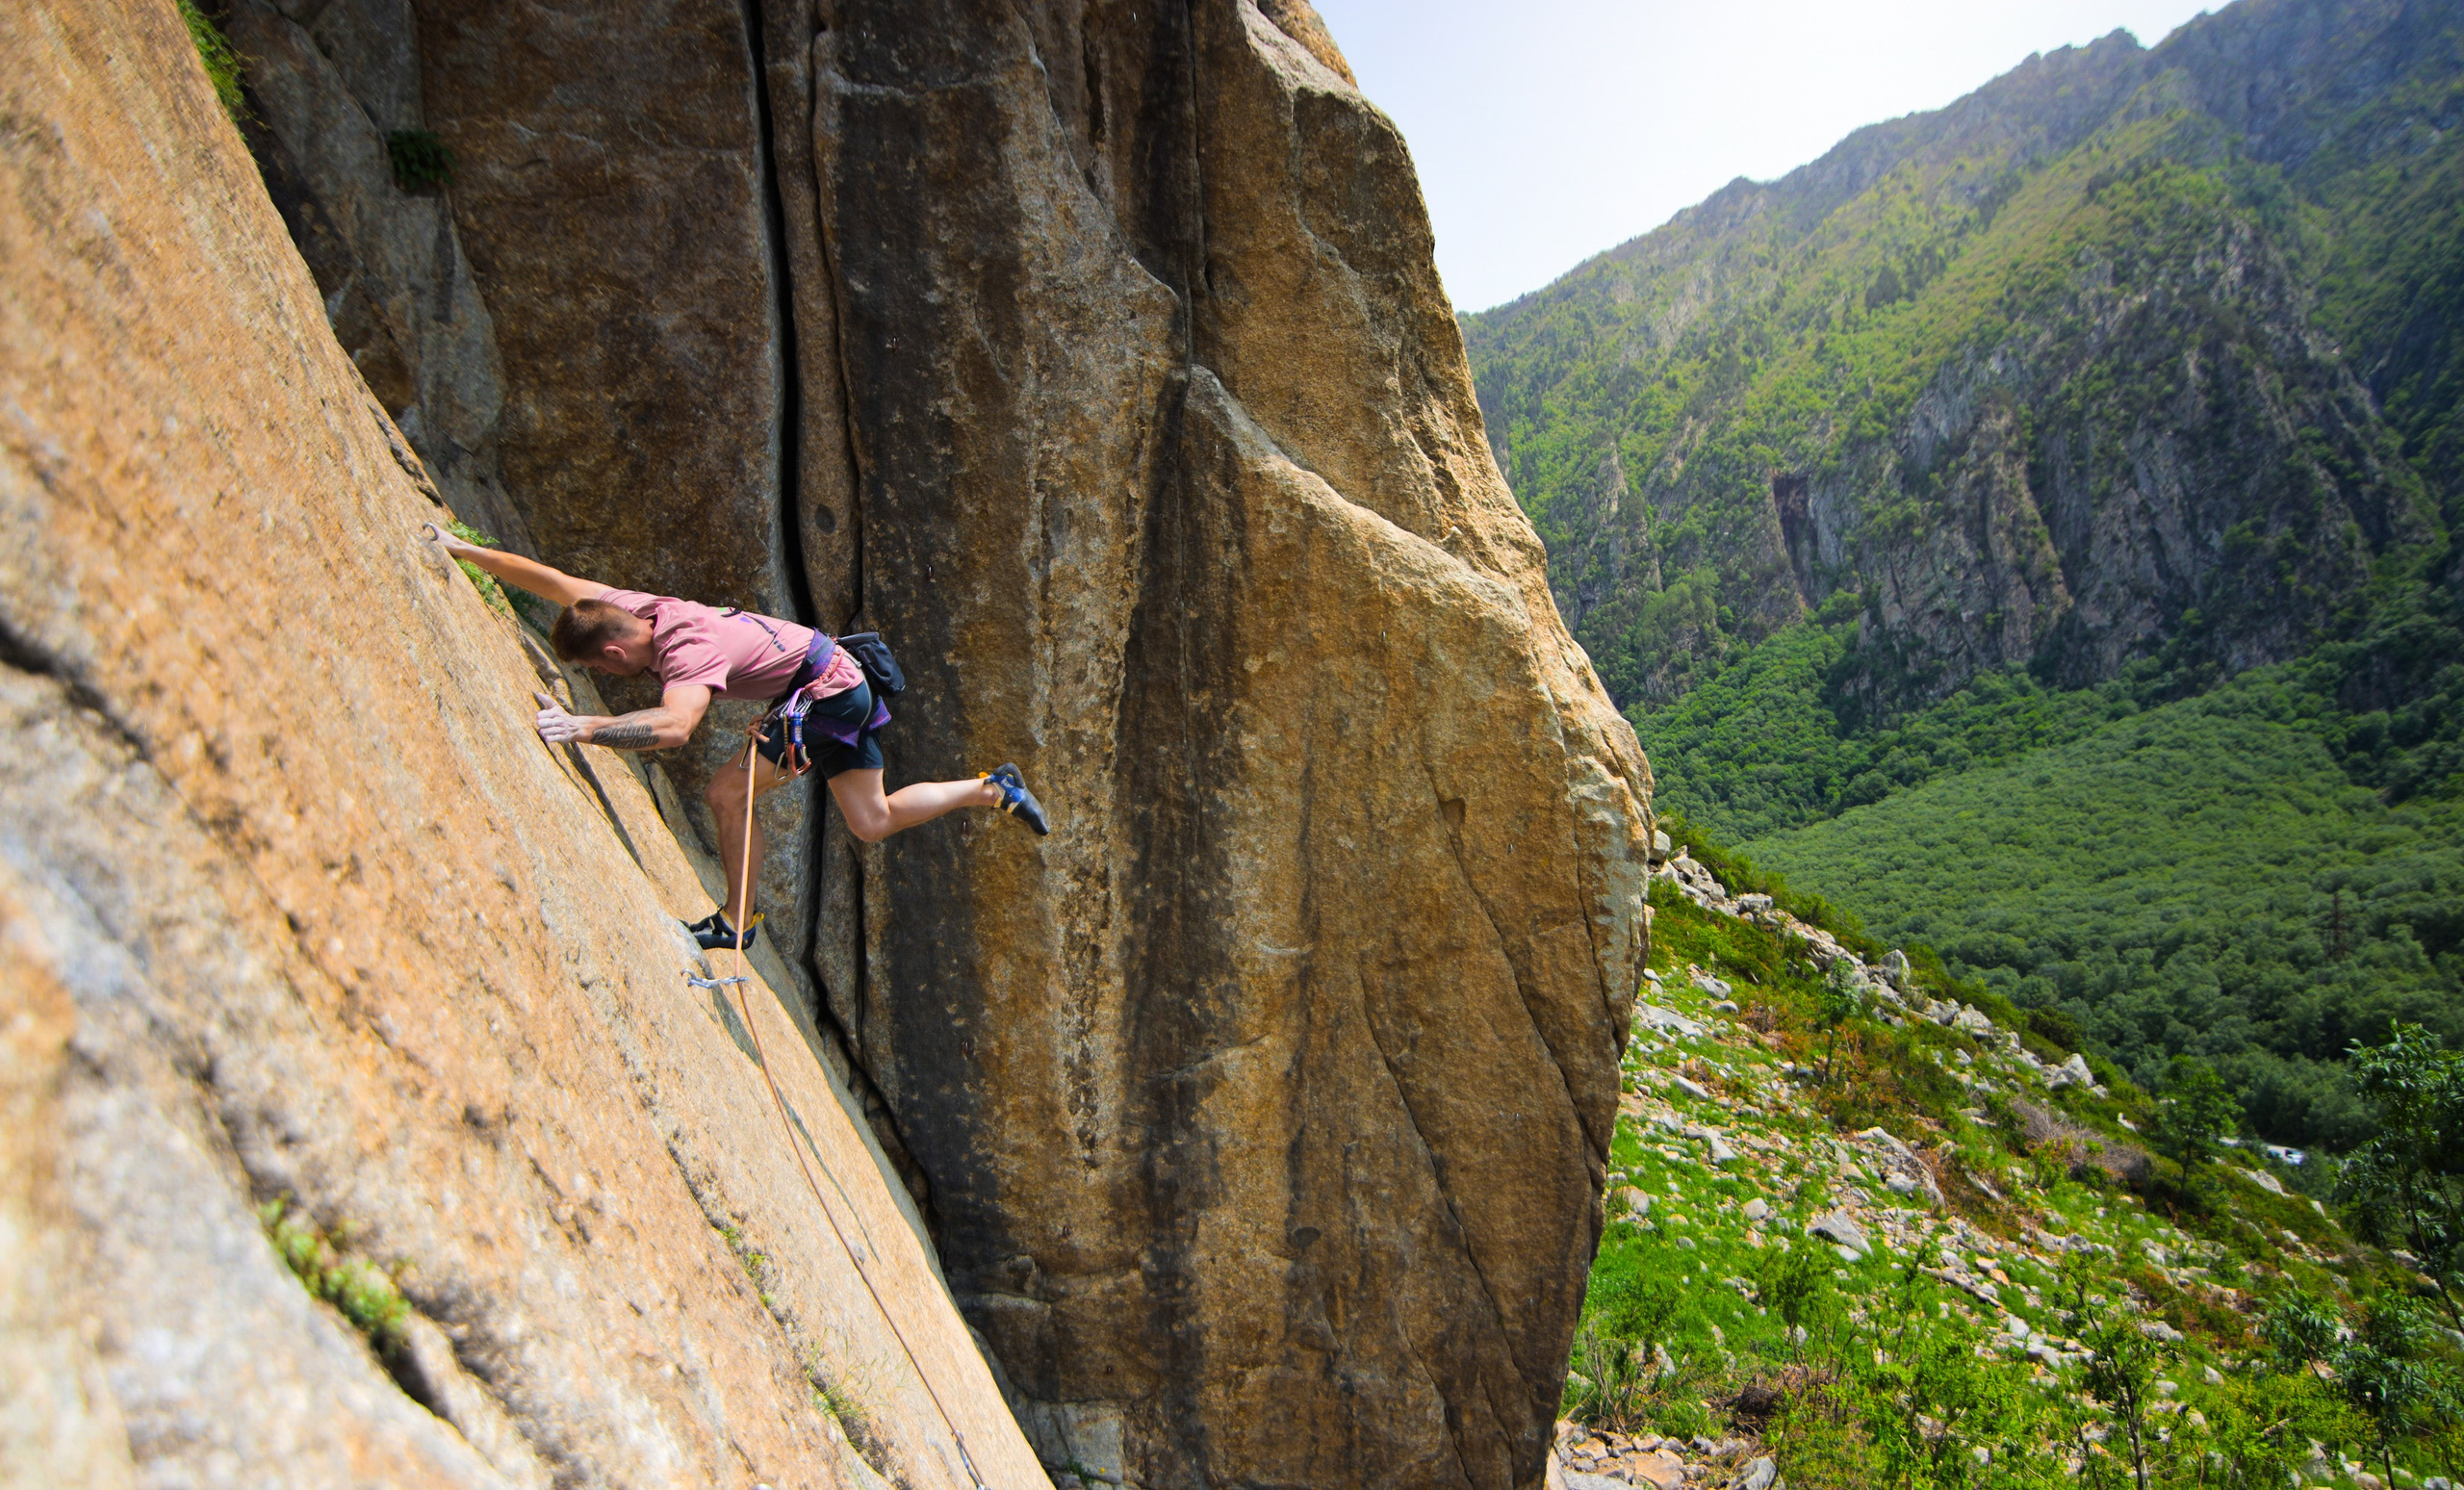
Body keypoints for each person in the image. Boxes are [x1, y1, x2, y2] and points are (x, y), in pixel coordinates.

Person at [423, 524, 1048, 950]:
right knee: (872, 820)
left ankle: (736, 921)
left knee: (728, 794)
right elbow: (553, 581)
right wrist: (464, 549)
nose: (608, 676)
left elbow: (675, 727)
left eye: (600, 667)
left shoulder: (684, 649)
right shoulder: (629, 607)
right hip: (837, 681)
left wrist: (583, 726)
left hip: (824, 697)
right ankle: (992, 789)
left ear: (614, 648)